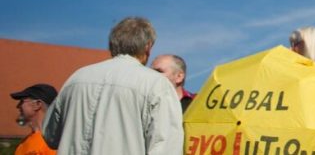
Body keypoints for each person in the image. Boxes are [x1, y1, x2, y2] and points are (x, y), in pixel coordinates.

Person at [43, 16, 184, 155]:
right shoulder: (156, 84)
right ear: (148, 47)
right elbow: (167, 146)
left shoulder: (76, 78)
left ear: (112, 44)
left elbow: (50, 135)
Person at [10, 83, 58, 155]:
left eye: (22, 101)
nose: (18, 106)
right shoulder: (25, 142)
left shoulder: (53, 142)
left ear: (37, 104)